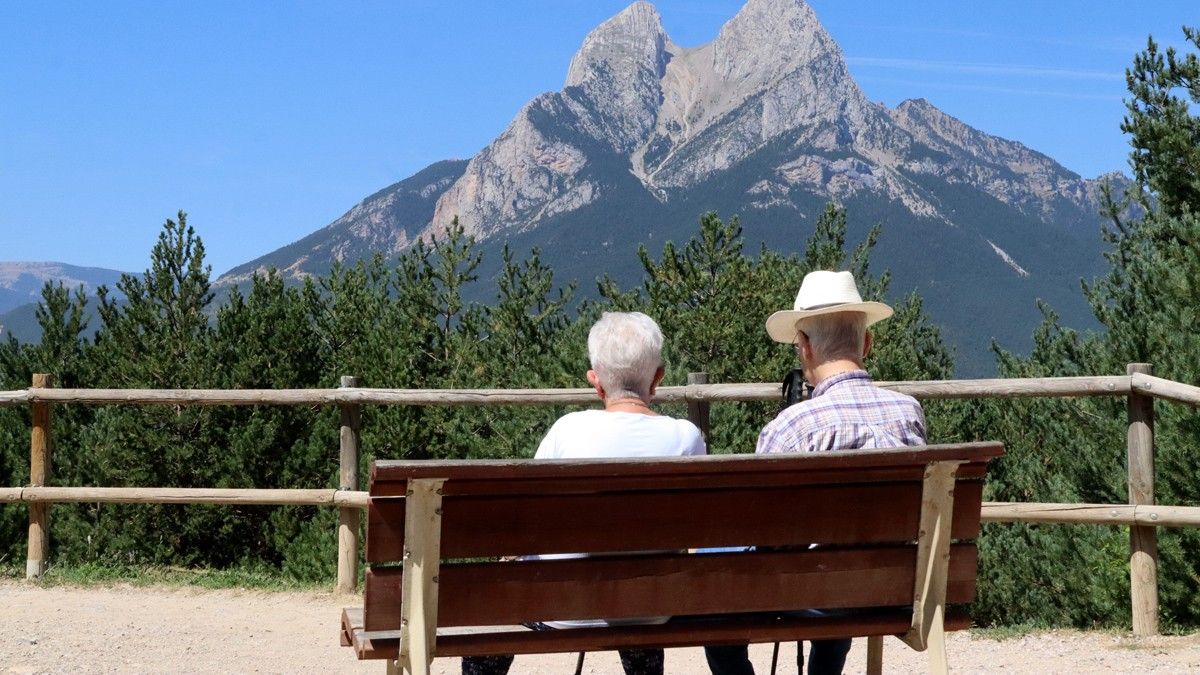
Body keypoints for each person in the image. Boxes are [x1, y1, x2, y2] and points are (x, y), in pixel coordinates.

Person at [704, 270, 927, 675]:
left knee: (717, 567)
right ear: (868, 343)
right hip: (893, 587)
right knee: (839, 561)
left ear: (804, 348)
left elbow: (757, 531)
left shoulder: (791, 428)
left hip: (813, 590)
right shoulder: (908, 413)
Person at [462, 311, 706, 675]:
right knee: (642, 575)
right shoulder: (686, 437)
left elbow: (525, 522)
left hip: (562, 609)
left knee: (495, 612)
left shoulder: (568, 431)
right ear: (657, 379)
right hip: (651, 608)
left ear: (596, 383)